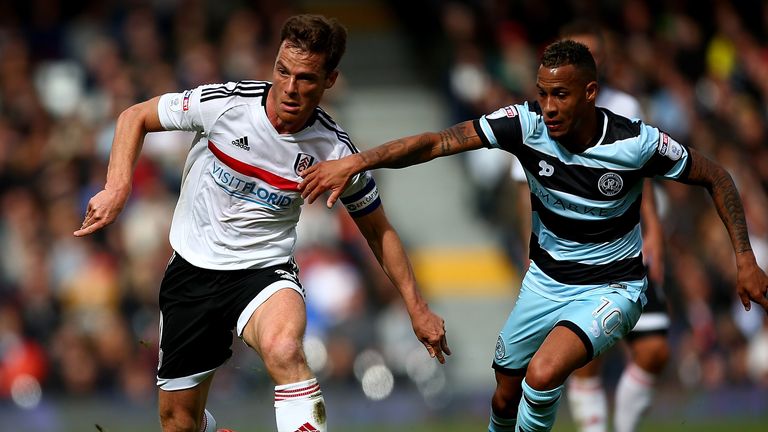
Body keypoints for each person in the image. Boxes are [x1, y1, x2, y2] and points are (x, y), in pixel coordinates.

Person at [299, 39, 768, 432]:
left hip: (613, 288)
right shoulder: (525, 126)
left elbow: (716, 176)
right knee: (504, 397)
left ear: (590, 93)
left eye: (560, 95)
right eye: (542, 93)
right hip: (544, 283)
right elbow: (437, 142)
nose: (548, 107)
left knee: (541, 376)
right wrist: (357, 161)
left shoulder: (635, 142)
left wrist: (744, 258)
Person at [74, 14, 450, 432]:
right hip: (192, 271)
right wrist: (117, 187)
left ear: (330, 80)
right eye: (282, 71)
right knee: (178, 422)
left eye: (306, 78)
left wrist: (417, 309)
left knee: (284, 348)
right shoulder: (225, 105)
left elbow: (379, 231)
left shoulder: (334, 150)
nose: (290, 88)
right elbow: (134, 116)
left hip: (263, 272)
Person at [542, 21, 669, 432]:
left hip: (629, 243)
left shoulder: (626, 107)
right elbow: (523, 188)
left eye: (597, 54)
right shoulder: (546, 114)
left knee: (654, 350)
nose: (592, 60)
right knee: (589, 354)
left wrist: (654, 236)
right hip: (576, 250)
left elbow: (641, 180)